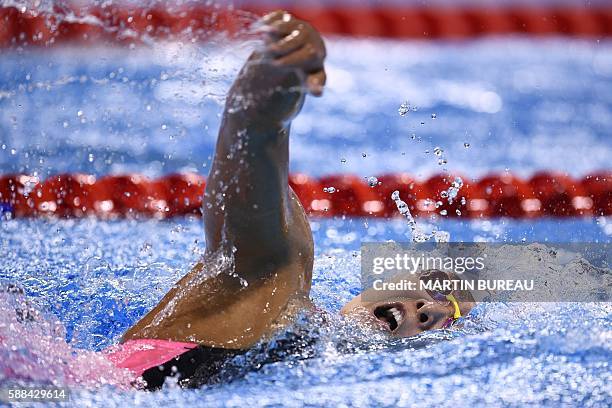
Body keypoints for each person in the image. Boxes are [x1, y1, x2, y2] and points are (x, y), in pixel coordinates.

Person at [109, 11, 475, 389]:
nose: (431, 310)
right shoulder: (280, 292)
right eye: (436, 290)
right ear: (381, 282)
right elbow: (248, 146)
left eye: (450, 320)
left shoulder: (304, 358)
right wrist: (272, 89)